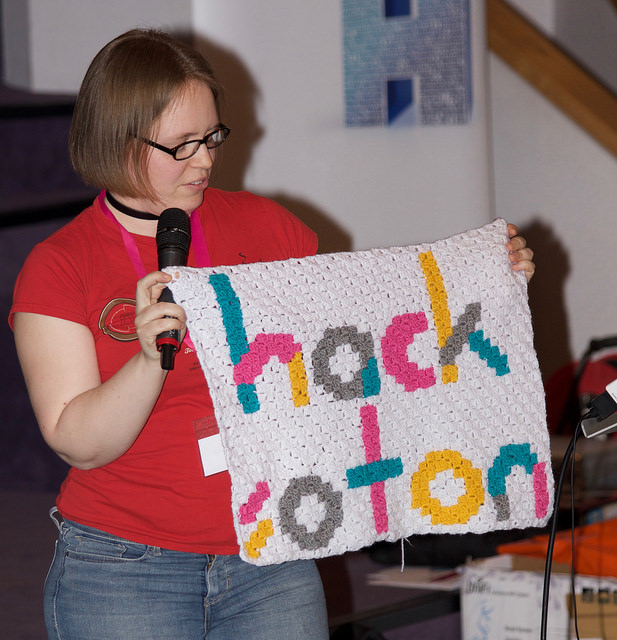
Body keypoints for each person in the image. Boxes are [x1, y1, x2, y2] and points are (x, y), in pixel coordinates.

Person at [9, 29, 535, 640]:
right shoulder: (60, 264)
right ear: (117, 140)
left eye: (212, 137)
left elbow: (364, 355)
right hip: (125, 568)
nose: (205, 159)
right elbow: (79, 443)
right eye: (182, 146)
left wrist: (482, 284)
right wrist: (148, 360)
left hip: (271, 556)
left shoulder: (269, 228)